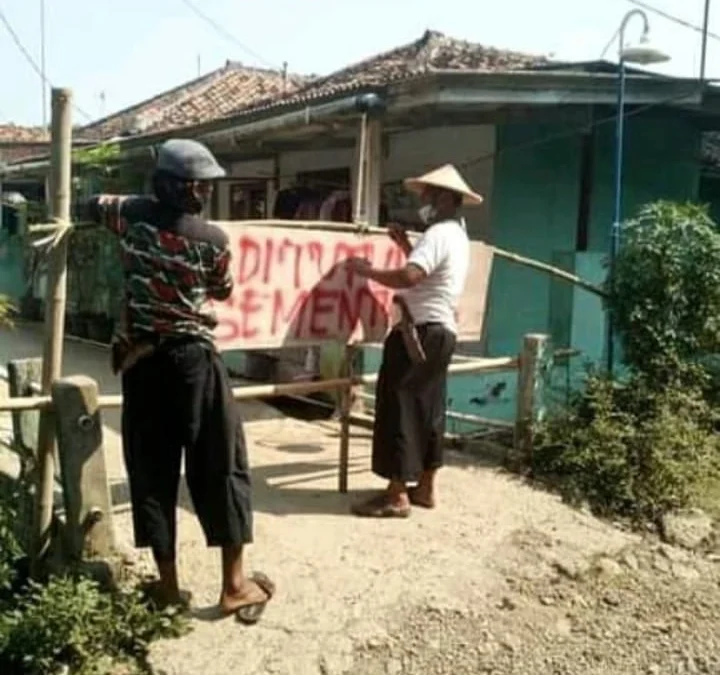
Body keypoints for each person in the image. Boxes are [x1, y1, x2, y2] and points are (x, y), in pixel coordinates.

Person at [86, 139, 274, 623]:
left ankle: (168, 590)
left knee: (152, 470)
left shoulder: (128, 215)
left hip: (142, 363)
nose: (202, 193)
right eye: (197, 184)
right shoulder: (212, 240)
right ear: (176, 185)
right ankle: (234, 587)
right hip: (194, 363)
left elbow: (90, 205)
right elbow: (223, 290)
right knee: (221, 463)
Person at [346, 164, 482, 518]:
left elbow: (411, 276)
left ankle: (396, 494)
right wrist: (406, 244)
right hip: (439, 332)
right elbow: (428, 276)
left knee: (400, 407)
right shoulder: (456, 235)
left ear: (444, 199)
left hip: (417, 333)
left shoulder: (439, 234)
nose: (424, 202)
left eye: (429, 196)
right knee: (429, 408)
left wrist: (368, 272)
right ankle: (425, 487)